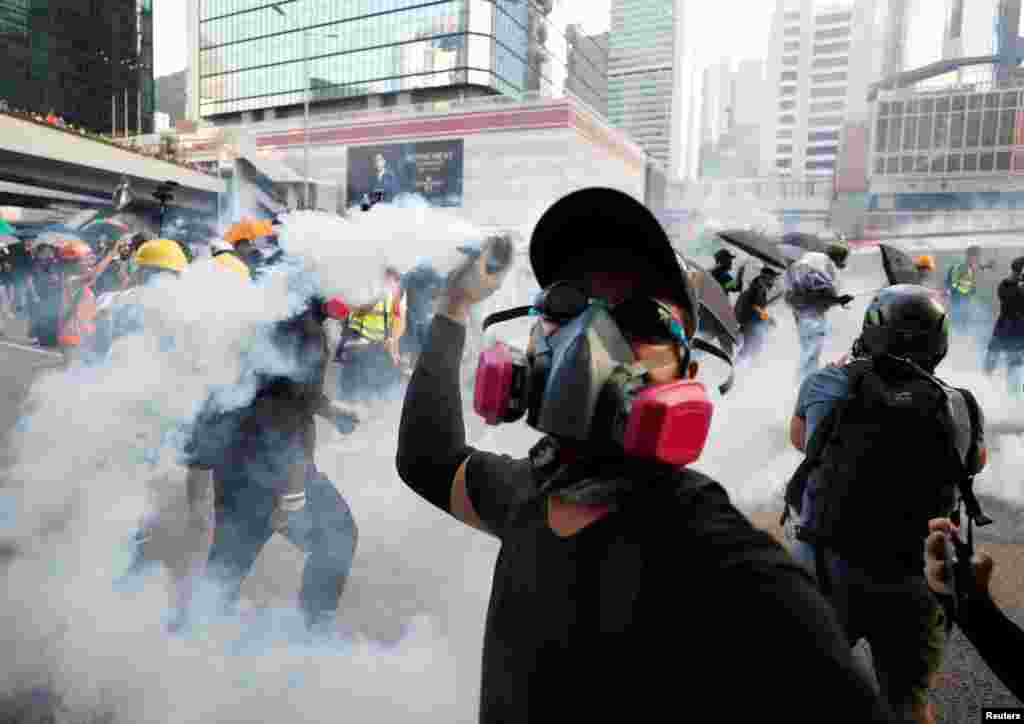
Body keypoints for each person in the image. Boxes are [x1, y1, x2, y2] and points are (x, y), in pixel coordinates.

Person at [395, 187, 899, 724]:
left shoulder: (725, 565)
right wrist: (454, 307)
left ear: (685, 372)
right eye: (566, 303)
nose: (588, 337)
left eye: (638, 319)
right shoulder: (530, 493)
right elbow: (429, 459)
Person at [783, 284, 987, 724]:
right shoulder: (958, 403)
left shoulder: (827, 382)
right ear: (940, 340)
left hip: (827, 567)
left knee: (806, 695)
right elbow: (973, 464)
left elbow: (803, 442)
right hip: (916, 574)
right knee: (909, 704)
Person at [186, 290, 361, 634]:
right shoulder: (307, 331)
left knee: (225, 569)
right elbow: (286, 416)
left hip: (233, 466)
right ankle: (312, 635)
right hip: (274, 471)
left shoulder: (264, 309)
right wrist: (293, 495)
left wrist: (329, 409)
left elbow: (264, 391)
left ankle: (187, 647)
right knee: (337, 536)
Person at [335, 266, 406, 402]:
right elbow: (353, 312)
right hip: (358, 351)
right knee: (352, 393)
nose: (393, 283)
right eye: (391, 279)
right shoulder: (367, 290)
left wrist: (394, 351)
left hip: (376, 353)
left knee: (377, 393)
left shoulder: (394, 296)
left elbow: (395, 324)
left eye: (395, 280)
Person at [785, 247, 855, 383]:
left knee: (809, 351)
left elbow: (812, 296)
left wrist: (836, 300)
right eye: (844, 259)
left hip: (803, 315)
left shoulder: (808, 264)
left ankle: (803, 381)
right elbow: (819, 296)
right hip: (811, 317)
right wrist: (839, 300)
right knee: (811, 352)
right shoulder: (819, 269)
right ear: (839, 258)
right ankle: (803, 382)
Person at [982, 257, 1024, 397]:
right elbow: (1008, 300)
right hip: (1004, 329)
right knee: (991, 360)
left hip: (1017, 331)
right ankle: (984, 389)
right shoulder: (1005, 285)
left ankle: (1013, 396)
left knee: (1014, 365)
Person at [399, 261, 445, 369]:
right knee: (413, 343)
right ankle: (413, 366)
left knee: (420, 343)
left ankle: (418, 366)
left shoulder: (428, 275)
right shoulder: (410, 277)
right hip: (414, 317)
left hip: (421, 317)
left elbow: (441, 284)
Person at [734, 265, 780, 364]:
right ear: (766, 278)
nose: (773, 281)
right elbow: (756, 307)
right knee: (751, 349)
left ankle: (739, 368)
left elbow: (758, 306)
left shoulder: (758, 288)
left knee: (751, 349)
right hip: (751, 323)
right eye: (772, 278)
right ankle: (735, 369)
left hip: (750, 322)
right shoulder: (758, 289)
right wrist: (768, 319)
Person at [945, 245, 982, 332]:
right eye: (977, 256)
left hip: (963, 302)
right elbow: (951, 284)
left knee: (961, 325)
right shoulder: (961, 267)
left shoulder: (969, 267)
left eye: (978, 257)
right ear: (971, 256)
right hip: (958, 302)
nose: (977, 259)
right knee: (958, 325)